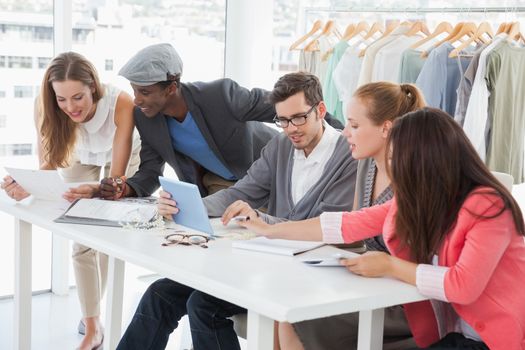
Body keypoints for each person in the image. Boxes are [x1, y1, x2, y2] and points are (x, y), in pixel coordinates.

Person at [240, 108, 525, 350]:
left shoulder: (486, 204)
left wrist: (389, 265)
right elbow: (348, 224)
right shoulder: (426, 198)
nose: (393, 167)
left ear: (425, 159)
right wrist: (270, 229)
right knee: (292, 322)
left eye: (396, 158)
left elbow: (462, 286)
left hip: (492, 340)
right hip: (453, 333)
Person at [116, 72, 358, 350]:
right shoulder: (280, 144)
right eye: (282, 120)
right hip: (269, 261)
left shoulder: (347, 156)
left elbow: (325, 227)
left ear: (321, 111)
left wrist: (259, 220)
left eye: (299, 118)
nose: (291, 128)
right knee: (160, 294)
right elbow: (242, 191)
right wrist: (186, 206)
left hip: (306, 273)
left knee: (204, 305)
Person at [1, 52, 140, 350]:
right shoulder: (48, 105)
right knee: (82, 238)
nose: (70, 107)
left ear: (93, 87)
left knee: (106, 225)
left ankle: (94, 313)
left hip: (121, 160)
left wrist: (98, 192)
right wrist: (27, 187)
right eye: (61, 100)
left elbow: (114, 184)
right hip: (82, 152)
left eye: (77, 97)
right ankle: (93, 326)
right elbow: (48, 169)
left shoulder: (121, 103)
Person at [278, 81, 427, 350]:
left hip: (406, 298)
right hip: (370, 284)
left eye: (355, 126)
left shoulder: (415, 181)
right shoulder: (366, 164)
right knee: (286, 308)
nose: (345, 132)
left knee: (295, 316)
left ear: (386, 128)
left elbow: (422, 265)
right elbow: (354, 232)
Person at [99, 43, 344, 200]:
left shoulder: (220, 96)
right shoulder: (146, 118)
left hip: (265, 173)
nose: (137, 100)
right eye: (134, 91)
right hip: (218, 185)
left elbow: (284, 104)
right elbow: (150, 173)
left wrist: (343, 137)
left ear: (171, 87)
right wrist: (126, 188)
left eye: (144, 92)